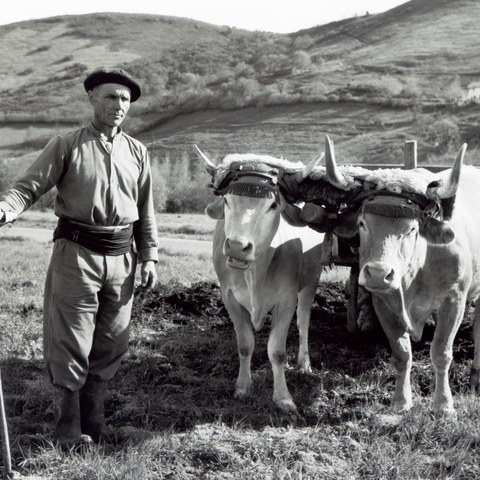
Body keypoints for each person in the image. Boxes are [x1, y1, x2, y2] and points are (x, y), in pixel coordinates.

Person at [0, 67, 159, 449]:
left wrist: (149, 255)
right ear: (91, 98)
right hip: (77, 253)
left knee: (111, 339)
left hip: (122, 258)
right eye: (110, 96)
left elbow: (145, 208)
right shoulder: (67, 144)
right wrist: (6, 209)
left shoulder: (138, 151)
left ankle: (95, 415)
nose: (119, 105)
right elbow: (29, 186)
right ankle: (68, 424)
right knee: (71, 336)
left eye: (125, 99)